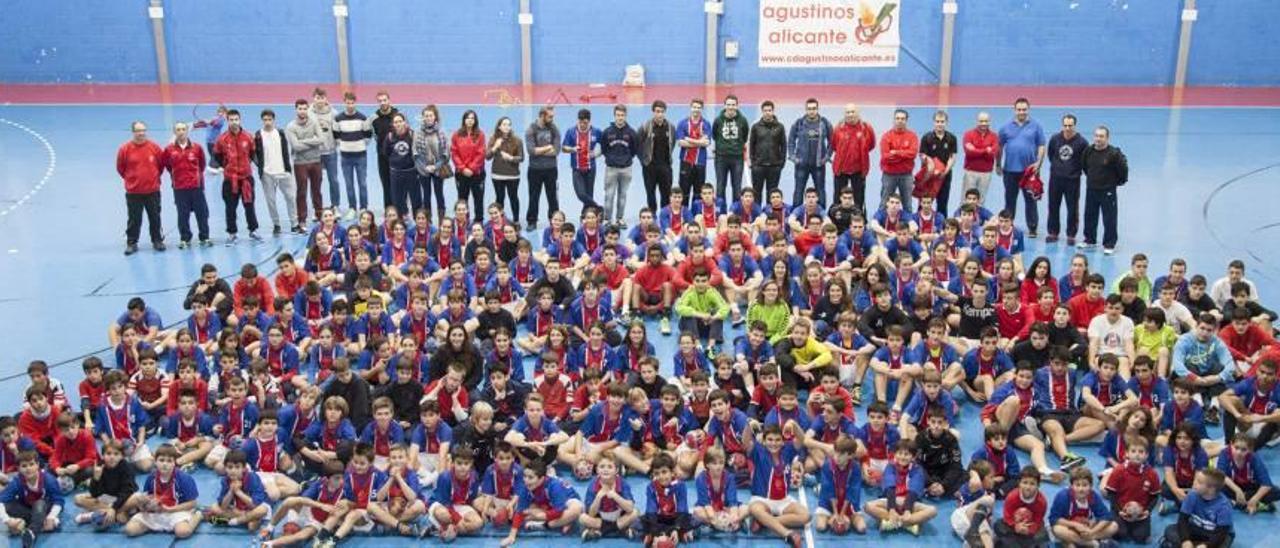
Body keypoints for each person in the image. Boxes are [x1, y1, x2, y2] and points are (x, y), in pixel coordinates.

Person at [122, 444, 200, 539]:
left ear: (174, 463)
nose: (165, 464)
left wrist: (169, 509)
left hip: (176, 511)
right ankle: (156, 526)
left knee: (183, 532)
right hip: (156, 513)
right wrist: (145, 506)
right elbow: (146, 499)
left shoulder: (184, 478)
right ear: (155, 462)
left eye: (169, 461)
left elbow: (193, 503)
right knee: (130, 530)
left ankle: (197, 516)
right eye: (161, 460)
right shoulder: (151, 478)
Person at [996, 98, 1046, 237]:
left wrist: (1038, 163)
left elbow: (1041, 145)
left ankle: (1032, 228)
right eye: (1019, 109)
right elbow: (999, 147)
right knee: (1010, 200)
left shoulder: (1036, 126)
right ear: (1014, 110)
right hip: (1010, 171)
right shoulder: (1005, 127)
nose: (1022, 112)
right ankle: (1008, 226)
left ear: (1028, 109)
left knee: (1031, 200)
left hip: (1029, 171)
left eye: (1024, 109)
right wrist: (998, 164)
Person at [116, 120, 165, 255]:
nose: (141, 133)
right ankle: (132, 242)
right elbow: (120, 168)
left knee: (155, 217)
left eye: (143, 130)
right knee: (134, 218)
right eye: (138, 131)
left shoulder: (154, 148)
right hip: (133, 192)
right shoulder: (124, 149)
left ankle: (157, 240)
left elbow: (160, 166)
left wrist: (152, 179)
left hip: (152, 190)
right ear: (133, 132)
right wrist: (132, 180)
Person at [1079, 125, 1129, 255]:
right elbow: (1085, 167)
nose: (1098, 139)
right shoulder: (1088, 151)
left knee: (1109, 218)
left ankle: (1109, 244)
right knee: (1089, 215)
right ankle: (1089, 239)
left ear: (1107, 138)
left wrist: (1116, 183)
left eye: (1101, 136)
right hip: (1092, 189)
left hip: (1107, 191)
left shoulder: (1114, 153)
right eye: (1096, 136)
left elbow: (1123, 170)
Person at [161, 121, 212, 248]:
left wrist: (196, 177)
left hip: (196, 187)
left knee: (202, 213)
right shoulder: (169, 150)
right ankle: (185, 238)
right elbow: (167, 165)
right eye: (178, 129)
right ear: (174, 132)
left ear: (187, 131)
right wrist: (177, 177)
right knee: (182, 215)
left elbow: (202, 165)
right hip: (179, 188)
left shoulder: (197, 148)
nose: (181, 132)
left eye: (183, 129)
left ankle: (204, 237)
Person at [0, 450, 62, 546]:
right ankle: (42, 524)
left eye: (31, 464)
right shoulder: (17, 481)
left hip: (44, 508)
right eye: (24, 466)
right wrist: (7, 520)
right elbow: (1, 501)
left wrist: (51, 516)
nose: (28, 468)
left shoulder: (48, 479)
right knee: (8, 506)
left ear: (37, 465)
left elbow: (58, 501)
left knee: (39, 504)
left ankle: (31, 532)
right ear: (19, 468)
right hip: (28, 510)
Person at [1161, 468, 1235, 548]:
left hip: (1215, 533)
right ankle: (1192, 544)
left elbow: (1221, 534)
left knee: (1224, 542)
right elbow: (1182, 520)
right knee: (1169, 530)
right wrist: (1185, 540)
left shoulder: (1224, 506)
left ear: (1211, 489)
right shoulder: (1192, 495)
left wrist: (1206, 546)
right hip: (1196, 528)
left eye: (1199, 482)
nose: (1194, 483)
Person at [253, 109, 298, 236]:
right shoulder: (258, 135)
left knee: (291, 198)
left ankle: (294, 224)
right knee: (271, 201)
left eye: (270, 120)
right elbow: (254, 154)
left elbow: (288, 150)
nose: (267, 122)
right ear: (262, 121)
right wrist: (261, 167)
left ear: (274, 120)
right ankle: (276, 224)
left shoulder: (281, 133)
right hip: (267, 174)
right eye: (265, 120)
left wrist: (288, 169)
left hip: (283, 172)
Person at [1045, 114, 1087, 245]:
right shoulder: (1055, 139)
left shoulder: (1082, 142)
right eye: (1065, 125)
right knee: (1053, 206)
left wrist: (1073, 171)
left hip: (1072, 181)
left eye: (1070, 126)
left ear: (1075, 126)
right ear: (1062, 125)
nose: (1068, 128)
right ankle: (1053, 232)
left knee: (1072, 208)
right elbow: (1051, 154)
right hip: (1056, 179)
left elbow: (1084, 161)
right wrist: (1058, 168)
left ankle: (1071, 235)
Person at [1049, 467, 1118, 547]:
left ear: (1091, 486)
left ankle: (1085, 541)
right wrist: (1075, 525)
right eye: (1077, 485)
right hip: (1068, 528)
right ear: (1071, 486)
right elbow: (1054, 519)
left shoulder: (1093, 496)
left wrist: (1092, 532)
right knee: (1058, 530)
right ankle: (1094, 544)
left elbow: (1106, 517)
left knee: (1114, 526)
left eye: (1085, 485)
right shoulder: (1063, 496)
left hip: (1086, 529)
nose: (1081, 489)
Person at [829, 103, 876, 212]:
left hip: (859, 170)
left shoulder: (866, 128)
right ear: (844, 114)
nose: (850, 115)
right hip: (841, 170)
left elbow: (871, 145)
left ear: (858, 113)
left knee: (859, 199)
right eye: (848, 112)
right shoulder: (838, 128)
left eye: (853, 112)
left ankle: (860, 220)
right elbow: (835, 145)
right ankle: (837, 221)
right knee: (838, 199)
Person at [788, 98, 833, 207]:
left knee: (820, 191)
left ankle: (821, 217)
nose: (811, 111)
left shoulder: (824, 123)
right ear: (806, 110)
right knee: (798, 191)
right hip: (801, 165)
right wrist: (793, 157)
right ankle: (796, 216)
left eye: (814, 109)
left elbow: (832, 142)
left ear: (817, 109)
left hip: (818, 165)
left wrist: (827, 157)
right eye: (809, 109)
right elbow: (791, 141)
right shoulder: (799, 123)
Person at [286, 99, 324, 227]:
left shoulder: (314, 123)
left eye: (304, 108)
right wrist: (312, 140)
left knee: (317, 190)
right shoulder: (291, 127)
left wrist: (303, 141)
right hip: (300, 163)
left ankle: (320, 216)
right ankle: (302, 219)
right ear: (296, 110)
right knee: (302, 191)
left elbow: (321, 139)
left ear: (308, 109)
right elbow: (296, 147)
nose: (302, 111)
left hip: (316, 161)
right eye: (300, 109)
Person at [333, 91, 372, 215]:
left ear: (355, 103)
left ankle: (363, 208)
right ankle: (352, 208)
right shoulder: (338, 119)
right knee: (349, 184)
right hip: (345, 157)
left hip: (360, 156)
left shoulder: (362, 117)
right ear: (344, 103)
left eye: (352, 103)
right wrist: (345, 145)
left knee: (362, 183)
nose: (350, 105)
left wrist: (358, 145)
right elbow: (336, 136)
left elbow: (368, 136)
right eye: (348, 103)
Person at [600, 104, 638, 227]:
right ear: (614, 116)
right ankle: (607, 219)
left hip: (626, 169)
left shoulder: (632, 133)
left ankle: (620, 219)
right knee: (609, 195)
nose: (620, 118)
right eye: (618, 115)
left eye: (622, 115)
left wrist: (626, 160)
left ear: (625, 116)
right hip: (611, 169)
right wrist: (612, 159)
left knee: (623, 195)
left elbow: (634, 150)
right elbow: (604, 149)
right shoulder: (607, 132)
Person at [524, 106, 561, 229]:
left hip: (551, 169)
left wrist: (540, 150)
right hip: (535, 170)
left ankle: (555, 220)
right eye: (550, 116)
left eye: (553, 116)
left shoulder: (554, 128)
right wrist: (547, 148)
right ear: (542, 116)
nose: (552, 118)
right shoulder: (531, 129)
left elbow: (556, 151)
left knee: (552, 197)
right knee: (533, 196)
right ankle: (532, 221)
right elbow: (531, 151)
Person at [412, 104, 450, 222]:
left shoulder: (442, 133)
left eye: (430, 115)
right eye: (426, 115)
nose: (428, 118)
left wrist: (435, 166)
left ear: (435, 117)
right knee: (426, 196)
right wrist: (425, 167)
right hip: (423, 170)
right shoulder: (417, 133)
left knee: (439, 195)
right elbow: (415, 153)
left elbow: (445, 154)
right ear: (423, 117)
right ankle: (428, 221)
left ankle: (442, 221)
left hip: (438, 169)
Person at [636, 100, 675, 213]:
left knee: (666, 194)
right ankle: (652, 215)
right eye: (657, 111)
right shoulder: (645, 126)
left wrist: (668, 160)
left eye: (662, 112)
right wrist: (644, 161)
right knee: (650, 193)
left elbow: (672, 144)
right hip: (650, 167)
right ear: (653, 112)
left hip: (665, 167)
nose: (660, 114)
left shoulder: (670, 127)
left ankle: (664, 215)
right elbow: (637, 144)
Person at [994, 468, 1049, 547]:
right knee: (998, 525)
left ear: (1038, 485)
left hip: (1030, 529)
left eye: (1032, 484)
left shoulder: (1041, 502)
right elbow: (1007, 517)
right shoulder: (1012, 497)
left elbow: (1038, 520)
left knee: (1043, 536)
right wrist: (1016, 526)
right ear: (1019, 483)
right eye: (1025, 483)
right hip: (1013, 528)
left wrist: (1029, 530)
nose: (1028, 487)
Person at [488, 116, 525, 224]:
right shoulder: (493, 139)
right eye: (504, 124)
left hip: (513, 175)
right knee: (499, 198)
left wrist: (511, 158)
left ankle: (516, 221)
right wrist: (495, 146)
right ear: (499, 127)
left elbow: (521, 158)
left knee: (513, 197)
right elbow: (487, 156)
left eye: (509, 124)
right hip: (497, 175)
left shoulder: (517, 140)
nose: (507, 127)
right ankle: (500, 221)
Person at [712, 94, 749, 202]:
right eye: (728, 105)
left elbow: (745, 136)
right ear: (724, 106)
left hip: (737, 158)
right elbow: (715, 136)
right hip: (721, 158)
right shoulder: (718, 120)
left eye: (733, 105)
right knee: (720, 187)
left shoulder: (743, 120)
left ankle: (735, 215)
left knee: (737, 188)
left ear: (737, 106)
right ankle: (720, 213)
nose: (731, 107)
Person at [749, 100, 788, 203]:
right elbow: (751, 145)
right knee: (756, 192)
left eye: (769, 110)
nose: (767, 112)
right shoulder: (756, 127)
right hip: (759, 166)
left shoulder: (780, 127)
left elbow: (783, 146)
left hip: (774, 167)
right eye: (765, 110)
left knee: (772, 194)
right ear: (762, 112)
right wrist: (754, 163)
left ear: (773, 111)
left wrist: (781, 163)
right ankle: (757, 215)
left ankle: (770, 216)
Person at [309, 88, 339, 220]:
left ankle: (335, 206)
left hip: (330, 152)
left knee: (334, 180)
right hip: (315, 154)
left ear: (326, 98)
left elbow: (337, 132)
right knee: (316, 182)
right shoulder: (308, 113)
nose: (319, 100)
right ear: (313, 98)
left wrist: (334, 144)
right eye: (317, 97)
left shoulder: (334, 113)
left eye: (322, 98)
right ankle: (317, 209)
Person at [676, 99, 712, 208]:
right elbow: (680, 143)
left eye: (699, 107)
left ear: (702, 109)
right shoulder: (683, 123)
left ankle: (696, 216)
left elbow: (706, 143)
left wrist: (689, 139)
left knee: (698, 192)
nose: (696, 109)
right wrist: (698, 142)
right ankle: (684, 214)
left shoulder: (706, 124)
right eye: (694, 107)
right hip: (686, 162)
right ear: (690, 107)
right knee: (684, 191)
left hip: (700, 163)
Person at [452, 110, 487, 216]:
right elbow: (454, 153)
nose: (470, 120)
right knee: (462, 199)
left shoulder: (480, 135)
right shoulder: (456, 135)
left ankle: (479, 221)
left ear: (475, 120)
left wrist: (471, 168)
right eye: (468, 118)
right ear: (464, 120)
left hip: (477, 173)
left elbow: (481, 153)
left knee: (478, 199)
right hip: (461, 174)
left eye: (472, 118)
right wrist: (463, 168)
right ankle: (464, 222)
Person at [370, 90, 400, 213]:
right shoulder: (374, 118)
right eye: (380, 101)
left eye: (385, 100)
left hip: (397, 157)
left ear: (389, 100)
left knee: (398, 185)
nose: (383, 103)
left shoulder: (397, 115)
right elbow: (374, 135)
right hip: (382, 157)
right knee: (386, 185)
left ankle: (400, 209)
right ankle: (388, 210)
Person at [961, 111, 999, 204]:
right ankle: (963, 218)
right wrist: (986, 150)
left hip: (986, 173)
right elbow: (969, 152)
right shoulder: (968, 134)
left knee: (980, 200)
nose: (983, 123)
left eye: (986, 121)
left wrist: (976, 150)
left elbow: (993, 153)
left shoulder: (994, 136)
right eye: (981, 121)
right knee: (966, 200)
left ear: (989, 122)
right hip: (970, 172)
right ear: (977, 121)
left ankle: (977, 218)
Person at [384, 113, 416, 217]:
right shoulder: (389, 137)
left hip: (411, 172)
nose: (398, 124)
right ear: (393, 124)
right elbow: (386, 152)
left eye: (400, 121)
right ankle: (402, 218)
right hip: (396, 173)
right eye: (396, 122)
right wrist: (396, 161)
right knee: (397, 199)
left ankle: (418, 220)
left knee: (415, 198)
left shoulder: (412, 135)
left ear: (404, 122)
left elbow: (416, 151)